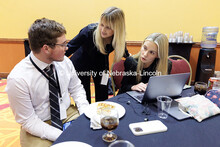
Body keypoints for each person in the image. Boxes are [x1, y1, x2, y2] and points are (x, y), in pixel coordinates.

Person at [5, 18, 89, 147]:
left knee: (94, 136)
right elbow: (29, 121)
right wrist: (62, 135)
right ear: (46, 48)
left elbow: (77, 88)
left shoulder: (65, 62)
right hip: (39, 123)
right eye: (63, 44)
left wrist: (85, 113)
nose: (67, 48)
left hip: (68, 113)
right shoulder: (18, 79)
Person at [65, 6, 129, 103]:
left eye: (108, 27)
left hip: (101, 65)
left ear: (117, 29)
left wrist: (134, 61)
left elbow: (125, 54)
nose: (103, 30)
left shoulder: (118, 39)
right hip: (81, 63)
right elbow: (70, 47)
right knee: (85, 97)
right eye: (102, 25)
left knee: (102, 95)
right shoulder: (89, 31)